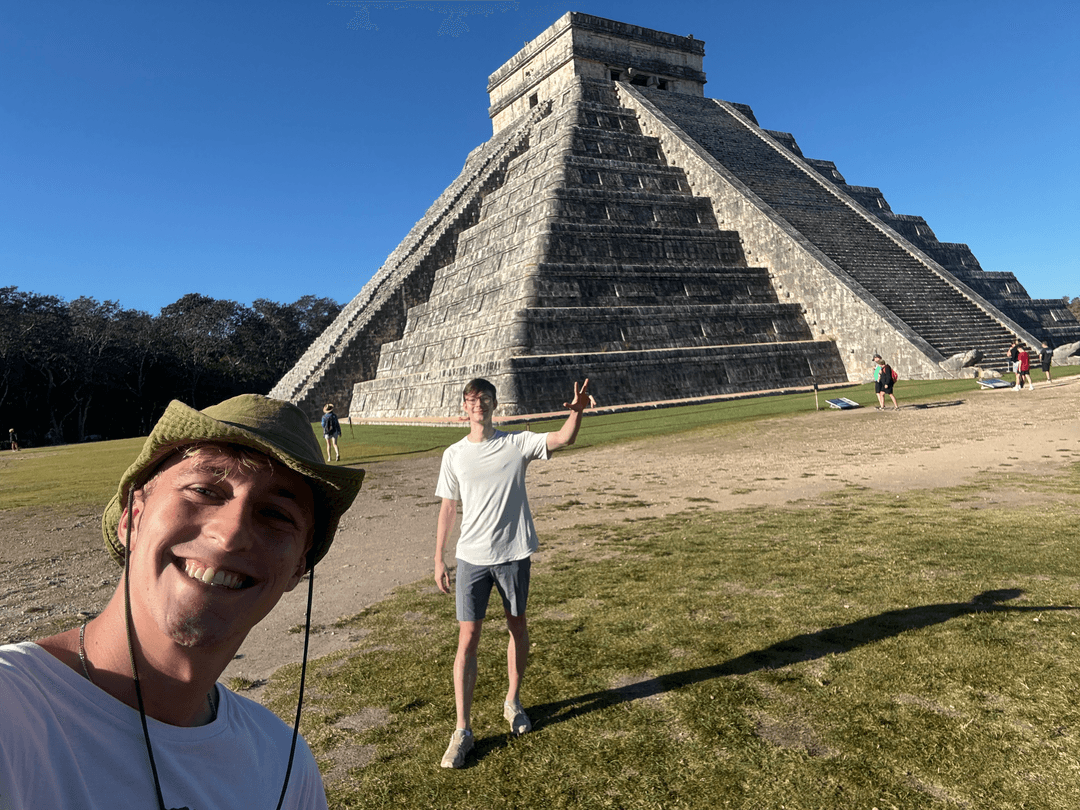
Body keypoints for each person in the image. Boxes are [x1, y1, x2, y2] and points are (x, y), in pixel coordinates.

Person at [0, 394, 365, 809]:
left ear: (299, 568)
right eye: (205, 490)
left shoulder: (285, 764)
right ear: (132, 519)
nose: (230, 535)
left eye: (276, 514)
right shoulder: (12, 714)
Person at [434, 377, 595, 769]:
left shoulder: (515, 443)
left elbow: (562, 439)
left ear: (493, 404)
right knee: (467, 637)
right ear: (464, 407)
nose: (478, 405)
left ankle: (513, 702)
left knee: (516, 626)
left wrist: (575, 412)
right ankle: (462, 729)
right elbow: (448, 508)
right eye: (472, 400)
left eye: (484, 399)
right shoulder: (454, 454)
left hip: (513, 554)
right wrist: (439, 557)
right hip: (472, 557)